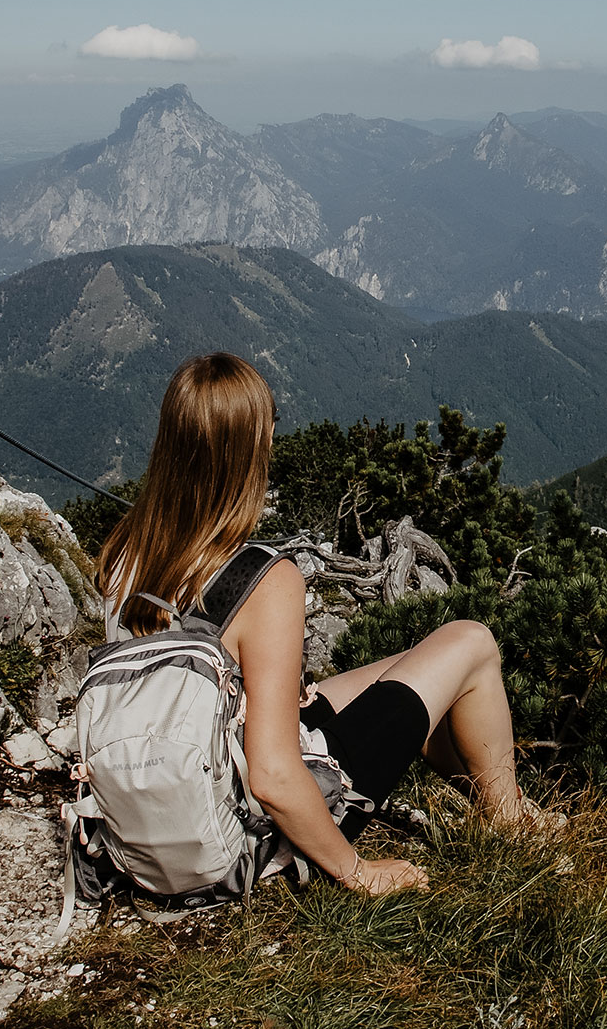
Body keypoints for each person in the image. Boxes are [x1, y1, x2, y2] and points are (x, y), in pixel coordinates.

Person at [97, 352, 548, 897]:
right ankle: (511, 823)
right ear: (248, 453)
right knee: (471, 642)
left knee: (407, 669)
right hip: (252, 831)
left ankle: (502, 802)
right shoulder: (264, 579)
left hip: (181, 785)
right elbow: (272, 774)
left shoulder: (126, 550)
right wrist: (357, 872)